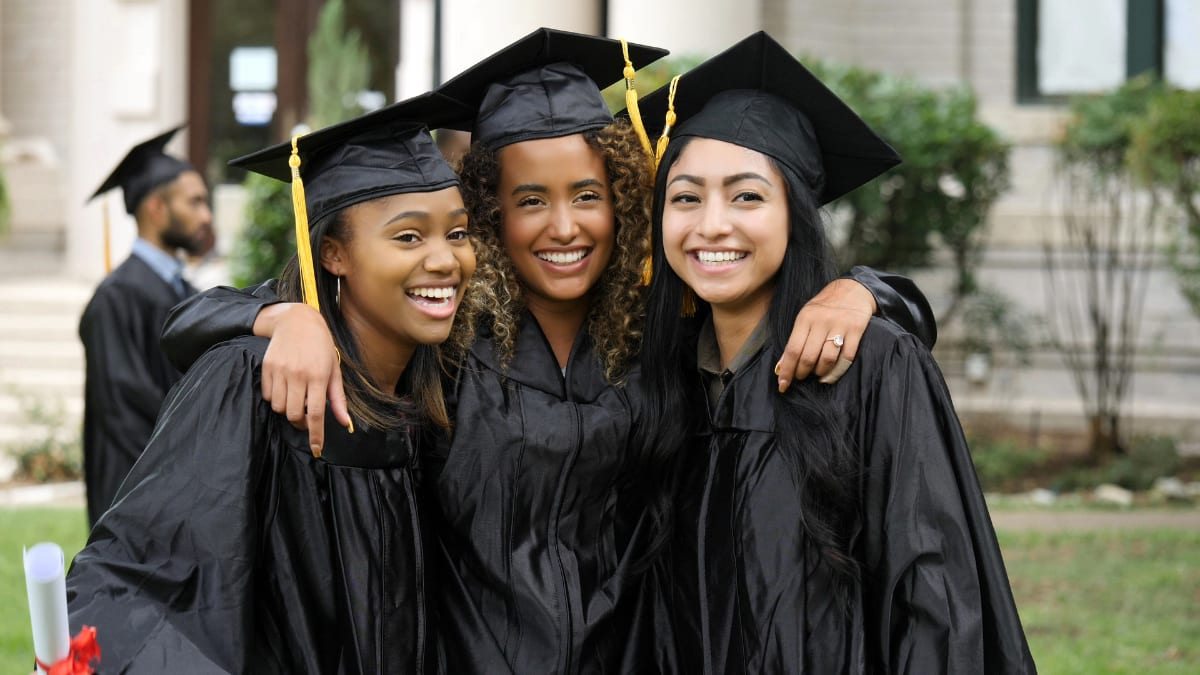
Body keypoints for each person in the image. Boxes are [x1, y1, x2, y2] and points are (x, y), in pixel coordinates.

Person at [160, 28, 934, 674]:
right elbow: (192, 321)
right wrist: (283, 319)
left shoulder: (662, 332)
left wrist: (859, 288)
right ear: (491, 210)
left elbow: (830, 320)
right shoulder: (447, 339)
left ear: (625, 197)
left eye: (587, 196)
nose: (563, 227)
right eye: (531, 200)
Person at [635, 33, 1036, 674]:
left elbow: (931, 597)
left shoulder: (872, 367)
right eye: (685, 197)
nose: (711, 224)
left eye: (747, 196)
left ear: (794, 214)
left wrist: (872, 293)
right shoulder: (661, 378)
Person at [65, 96, 477, 673]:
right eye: (408, 237)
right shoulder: (250, 384)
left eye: (458, 233)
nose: (445, 259)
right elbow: (139, 582)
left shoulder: (440, 388)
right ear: (331, 253)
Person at [79, 125, 213, 527]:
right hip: (140, 509)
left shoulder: (186, 291)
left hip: (185, 503)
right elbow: (125, 415)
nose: (206, 216)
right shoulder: (116, 299)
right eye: (195, 202)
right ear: (156, 208)